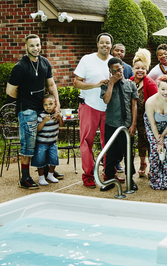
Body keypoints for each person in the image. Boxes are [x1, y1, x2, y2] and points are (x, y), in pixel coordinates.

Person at [6, 34, 60, 189]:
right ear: (26, 47)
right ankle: (25, 178)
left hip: (41, 109)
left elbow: (51, 85)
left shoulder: (45, 62)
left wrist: (57, 104)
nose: (36, 48)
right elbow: (10, 91)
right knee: (28, 145)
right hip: (27, 111)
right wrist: (25, 99)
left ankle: (45, 171)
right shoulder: (20, 66)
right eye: (32, 46)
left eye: (38, 45)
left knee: (43, 141)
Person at [72, 32, 113, 188]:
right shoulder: (87, 60)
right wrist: (96, 85)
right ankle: (88, 175)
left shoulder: (114, 62)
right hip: (89, 106)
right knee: (86, 142)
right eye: (102, 42)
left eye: (107, 43)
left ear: (111, 45)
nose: (105, 45)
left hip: (108, 109)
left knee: (108, 143)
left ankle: (108, 173)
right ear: (97, 44)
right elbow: (76, 83)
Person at [99, 58, 138, 192]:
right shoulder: (106, 85)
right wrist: (111, 83)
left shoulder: (130, 84)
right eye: (114, 71)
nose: (117, 73)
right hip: (111, 124)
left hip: (126, 125)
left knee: (128, 154)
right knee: (110, 153)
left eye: (119, 70)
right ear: (110, 72)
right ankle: (109, 179)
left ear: (123, 68)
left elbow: (134, 105)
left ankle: (130, 180)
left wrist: (133, 124)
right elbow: (106, 100)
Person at [144, 75, 167, 190]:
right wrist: (158, 141)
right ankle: (155, 180)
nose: (165, 92)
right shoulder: (150, 102)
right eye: (163, 89)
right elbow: (152, 124)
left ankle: (166, 180)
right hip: (152, 126)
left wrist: (163, 136)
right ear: (158, 88)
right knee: (155, 151)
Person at [131, 49, 158, 178]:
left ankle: (150, 165)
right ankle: (142, 163)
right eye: (137, 68)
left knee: (147, 141)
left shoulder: (150, 84)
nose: (140, 70)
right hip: (133, 118)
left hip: (147, 118)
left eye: (143, 68)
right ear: (133, 68)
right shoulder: (129, 81)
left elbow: (157, 103)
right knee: (136, 142)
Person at [32, 93, 63, 186]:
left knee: (54, 159)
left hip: (53, 142)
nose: (48, 106)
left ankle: (50, 175)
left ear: (55, 104)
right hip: (42, 143)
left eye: (50, 104)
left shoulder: (57, 114)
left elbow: (61, 124)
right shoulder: (41, 115)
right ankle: (41, 178)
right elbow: (38, 129)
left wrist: (60, 117)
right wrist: (44, 121)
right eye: (45, 105)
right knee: (40, 161)